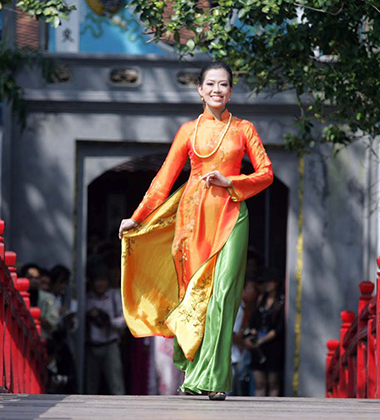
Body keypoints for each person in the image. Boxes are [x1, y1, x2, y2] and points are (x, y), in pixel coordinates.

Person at [118, 61, 273, 401]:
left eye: (224, 85)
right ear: (200, 90)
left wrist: (230, 181)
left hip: (231, 214)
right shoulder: (188, 131)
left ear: (231, 91)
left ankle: (215, 378)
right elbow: (164, 179)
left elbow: (265, 174)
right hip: (192, 219)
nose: (217, 90)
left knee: (223, 294)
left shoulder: (244, 128)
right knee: (195, 295)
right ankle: (194, 370)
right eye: (211, 84)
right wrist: (138, 216)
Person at [85, 258, 126, 395]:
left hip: (111, 344)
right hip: (92, 346)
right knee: (90, 383)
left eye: (103, 280)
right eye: (97, 280)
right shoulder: (87, 298)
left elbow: (125, 318)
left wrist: (109, 322)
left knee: (116, 382)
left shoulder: (114, 296)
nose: (100, 284)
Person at [245, 270, 284, 397]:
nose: (267, 285)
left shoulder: (281, 301)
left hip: (272, 344)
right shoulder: (260, 299)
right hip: (258, 345)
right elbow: (253, 321)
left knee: (273, 381)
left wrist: (263, 340)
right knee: (259, 381)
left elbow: (279, 328)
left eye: (270, 282)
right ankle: (258, 409)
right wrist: (253, 334)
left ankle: (273, 410)